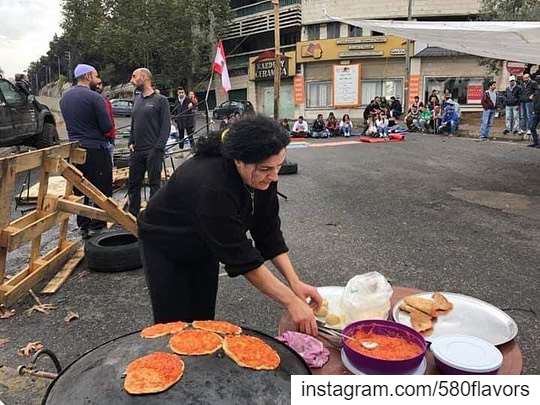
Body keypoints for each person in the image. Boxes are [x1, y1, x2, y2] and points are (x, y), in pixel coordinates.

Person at [138, 114, 323, 334]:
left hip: (206, 243)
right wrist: (291, 302)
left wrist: (295, 283)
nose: (274, 177)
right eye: (266, 169)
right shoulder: (211, 184)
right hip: (165, 244)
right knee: (172, 324)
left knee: (203, 319)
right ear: (238, 160)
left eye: (278, 167)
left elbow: (268, 230)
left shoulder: (265, 175)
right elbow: (241, 257)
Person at [60, 64, 113, 239]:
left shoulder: (64, 99)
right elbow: (106, 126)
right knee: (101, 189)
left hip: (75, 150)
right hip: (95, 149)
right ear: (88, 76)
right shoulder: (94, 98)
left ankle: (83, 226)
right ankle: (98, 226)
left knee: (80, 188)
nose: (97, 79)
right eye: (96, 75)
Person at [127, 68, 171, 217]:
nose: (131, 80)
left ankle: (153, 216)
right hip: (137, 151)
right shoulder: (137, 99)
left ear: (144, 77)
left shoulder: (161, 101)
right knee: (133, 184)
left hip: (153, 151)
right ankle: (132, 216)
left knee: (154, 185)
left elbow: (166, 127)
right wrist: (130, 141)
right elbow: (133, 123)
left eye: (134, 76)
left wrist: (158, 148)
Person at [91, 79, 116, 161]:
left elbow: (111, 120)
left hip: (108, 139)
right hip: (101, 141)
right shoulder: (98, 101)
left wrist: (112, 137)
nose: (99, 86)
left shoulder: (106, 101)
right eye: (97, 84)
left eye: (100, 84)